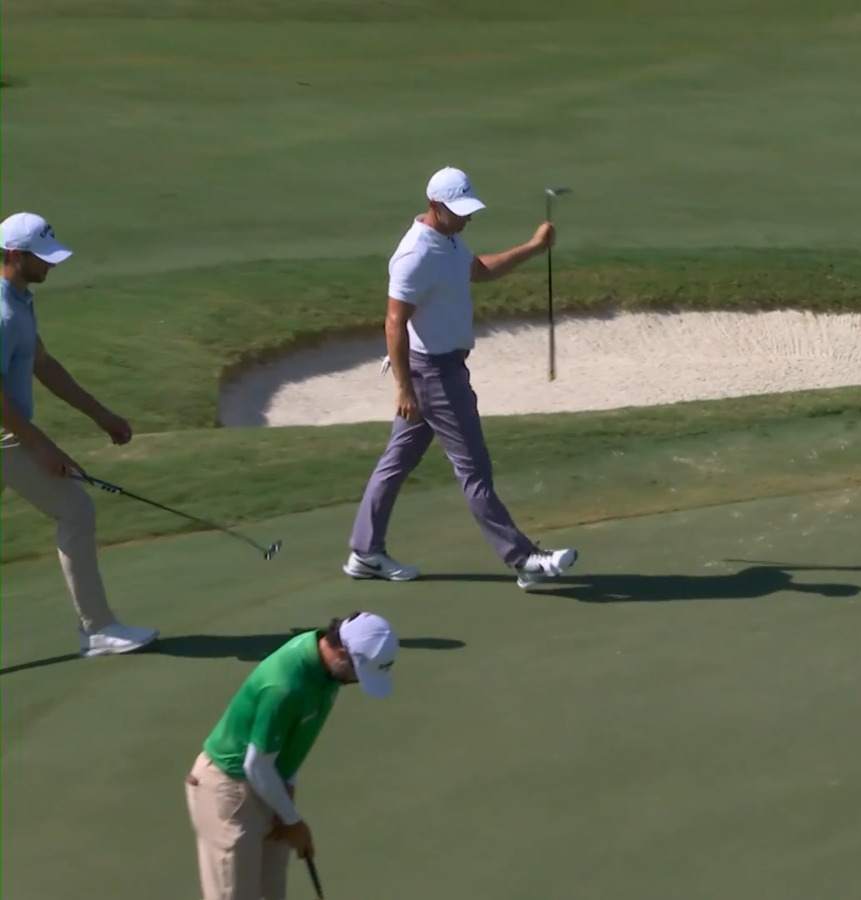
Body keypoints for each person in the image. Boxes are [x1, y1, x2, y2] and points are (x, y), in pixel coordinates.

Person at [344, 166, 577, 590]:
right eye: (459, 211)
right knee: (474, 471)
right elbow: (394, 323)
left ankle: (365, 552)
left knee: (396, 463)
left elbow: (480, 271)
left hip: (440, 368)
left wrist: (532, 247)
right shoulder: (415, 254)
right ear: (435, 207)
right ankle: (524, 560)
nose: (468, 218)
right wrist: (405, 388)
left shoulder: (448, 238)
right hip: (434, 374)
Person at [0, 211, 158, 656]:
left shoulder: (18, 299)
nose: (51, 265)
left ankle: (97, 627)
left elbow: (43, 364)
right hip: (5, 437)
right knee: (75, 510)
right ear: (14, 255)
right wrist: (41, 445)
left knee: (74, 510)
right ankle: (98, 628)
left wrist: (101, 415)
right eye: (42, 258)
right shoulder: (2, 311)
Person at [185, 611, 398, 900]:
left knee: (272, 892)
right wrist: (293, 821)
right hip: (228, 791)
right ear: (340, 651)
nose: (356, 682)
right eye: (358, 673)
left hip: (268, 786)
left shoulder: (328, 672)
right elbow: (256, 764)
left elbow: (290, 748)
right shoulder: (285, 684)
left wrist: (286, 803)